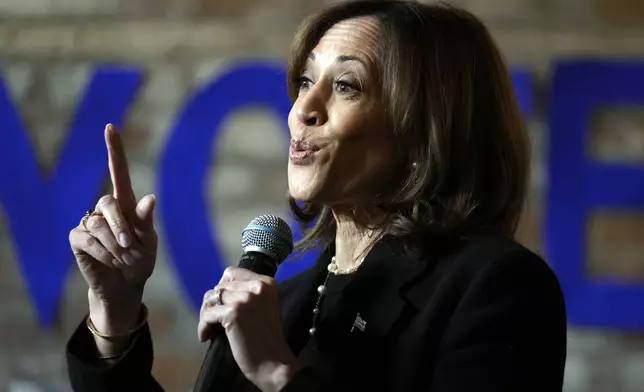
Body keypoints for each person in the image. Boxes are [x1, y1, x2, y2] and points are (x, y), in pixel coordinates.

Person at [65, 1, 567, 391]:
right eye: (306, 81)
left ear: (426, 130)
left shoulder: (495, 288)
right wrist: (116, 311)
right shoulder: (281, 301)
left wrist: (279, 375)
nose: (303, 107)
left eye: (346, 85)